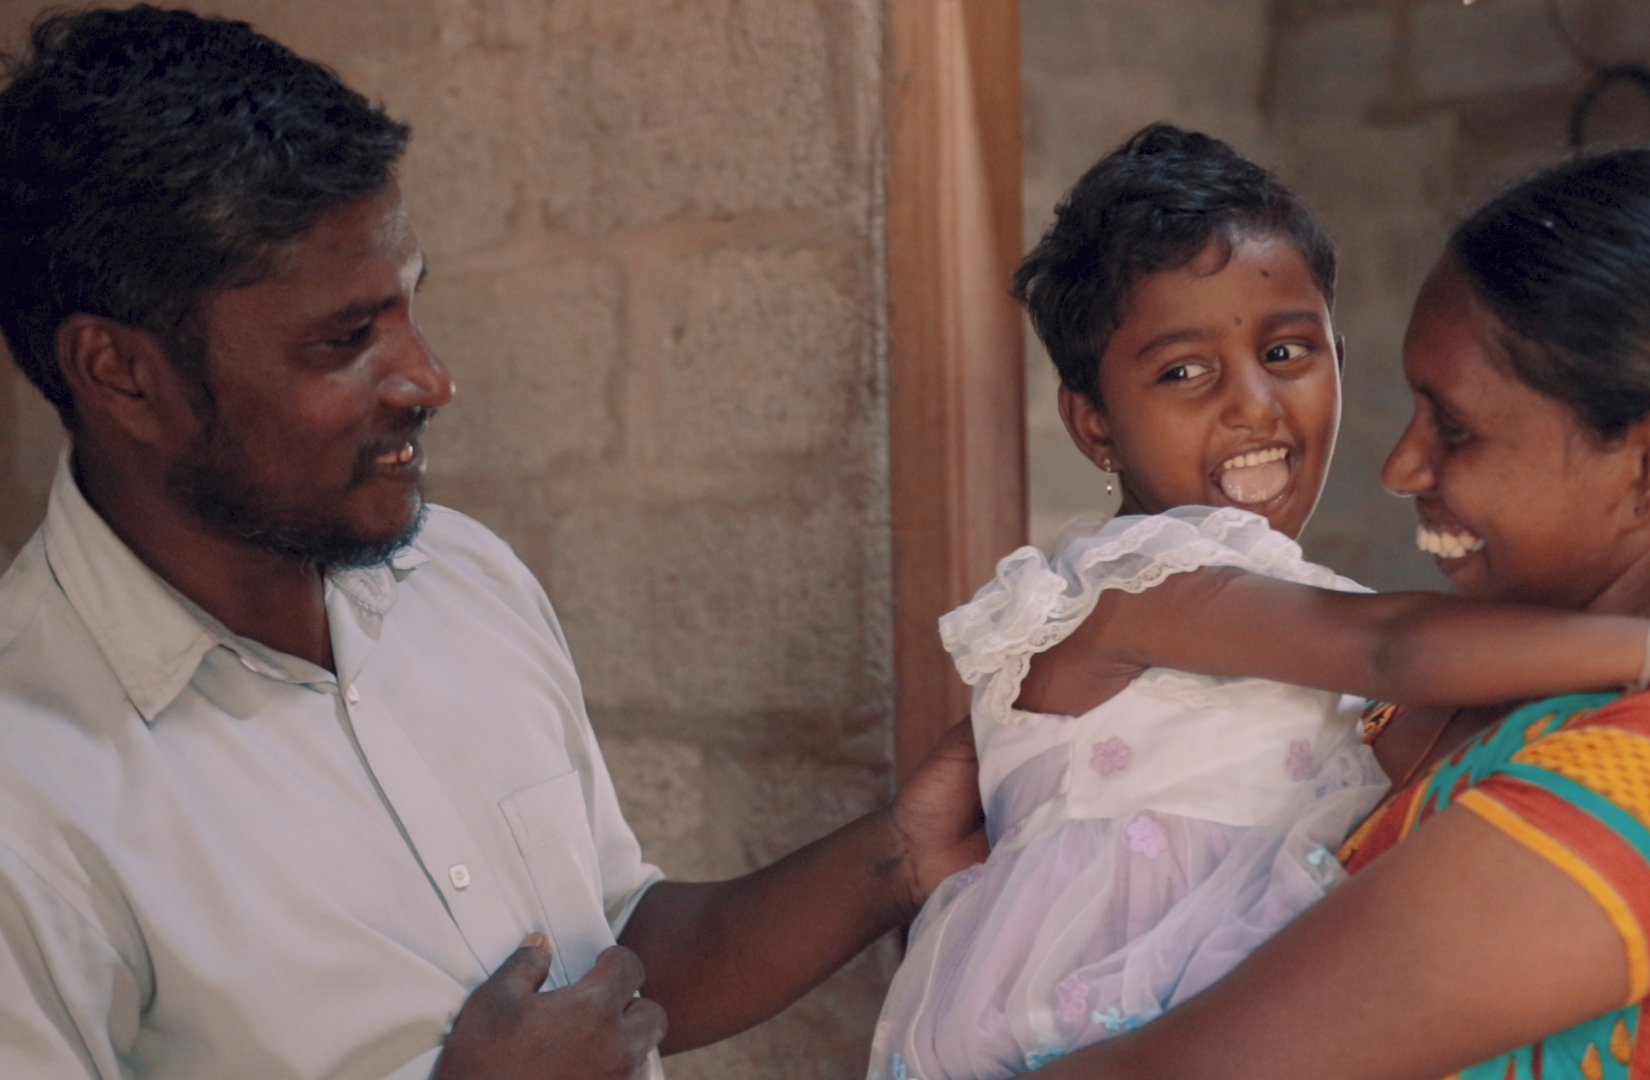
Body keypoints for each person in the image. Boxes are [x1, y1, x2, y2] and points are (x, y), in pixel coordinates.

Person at [0, 8, 984, 1079]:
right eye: (345, 339)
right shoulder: (31, 784)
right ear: (119, 373)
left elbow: (610, 961)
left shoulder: (461, 578)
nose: (430, 379)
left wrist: (900, 855)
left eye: (409, 305)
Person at [866, 127, 1650, 1080]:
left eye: (1456, 428)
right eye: (1184, 372)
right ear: (1095, 422)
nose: (1398, 466)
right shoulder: (1439, 705)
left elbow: (1192, 1069)